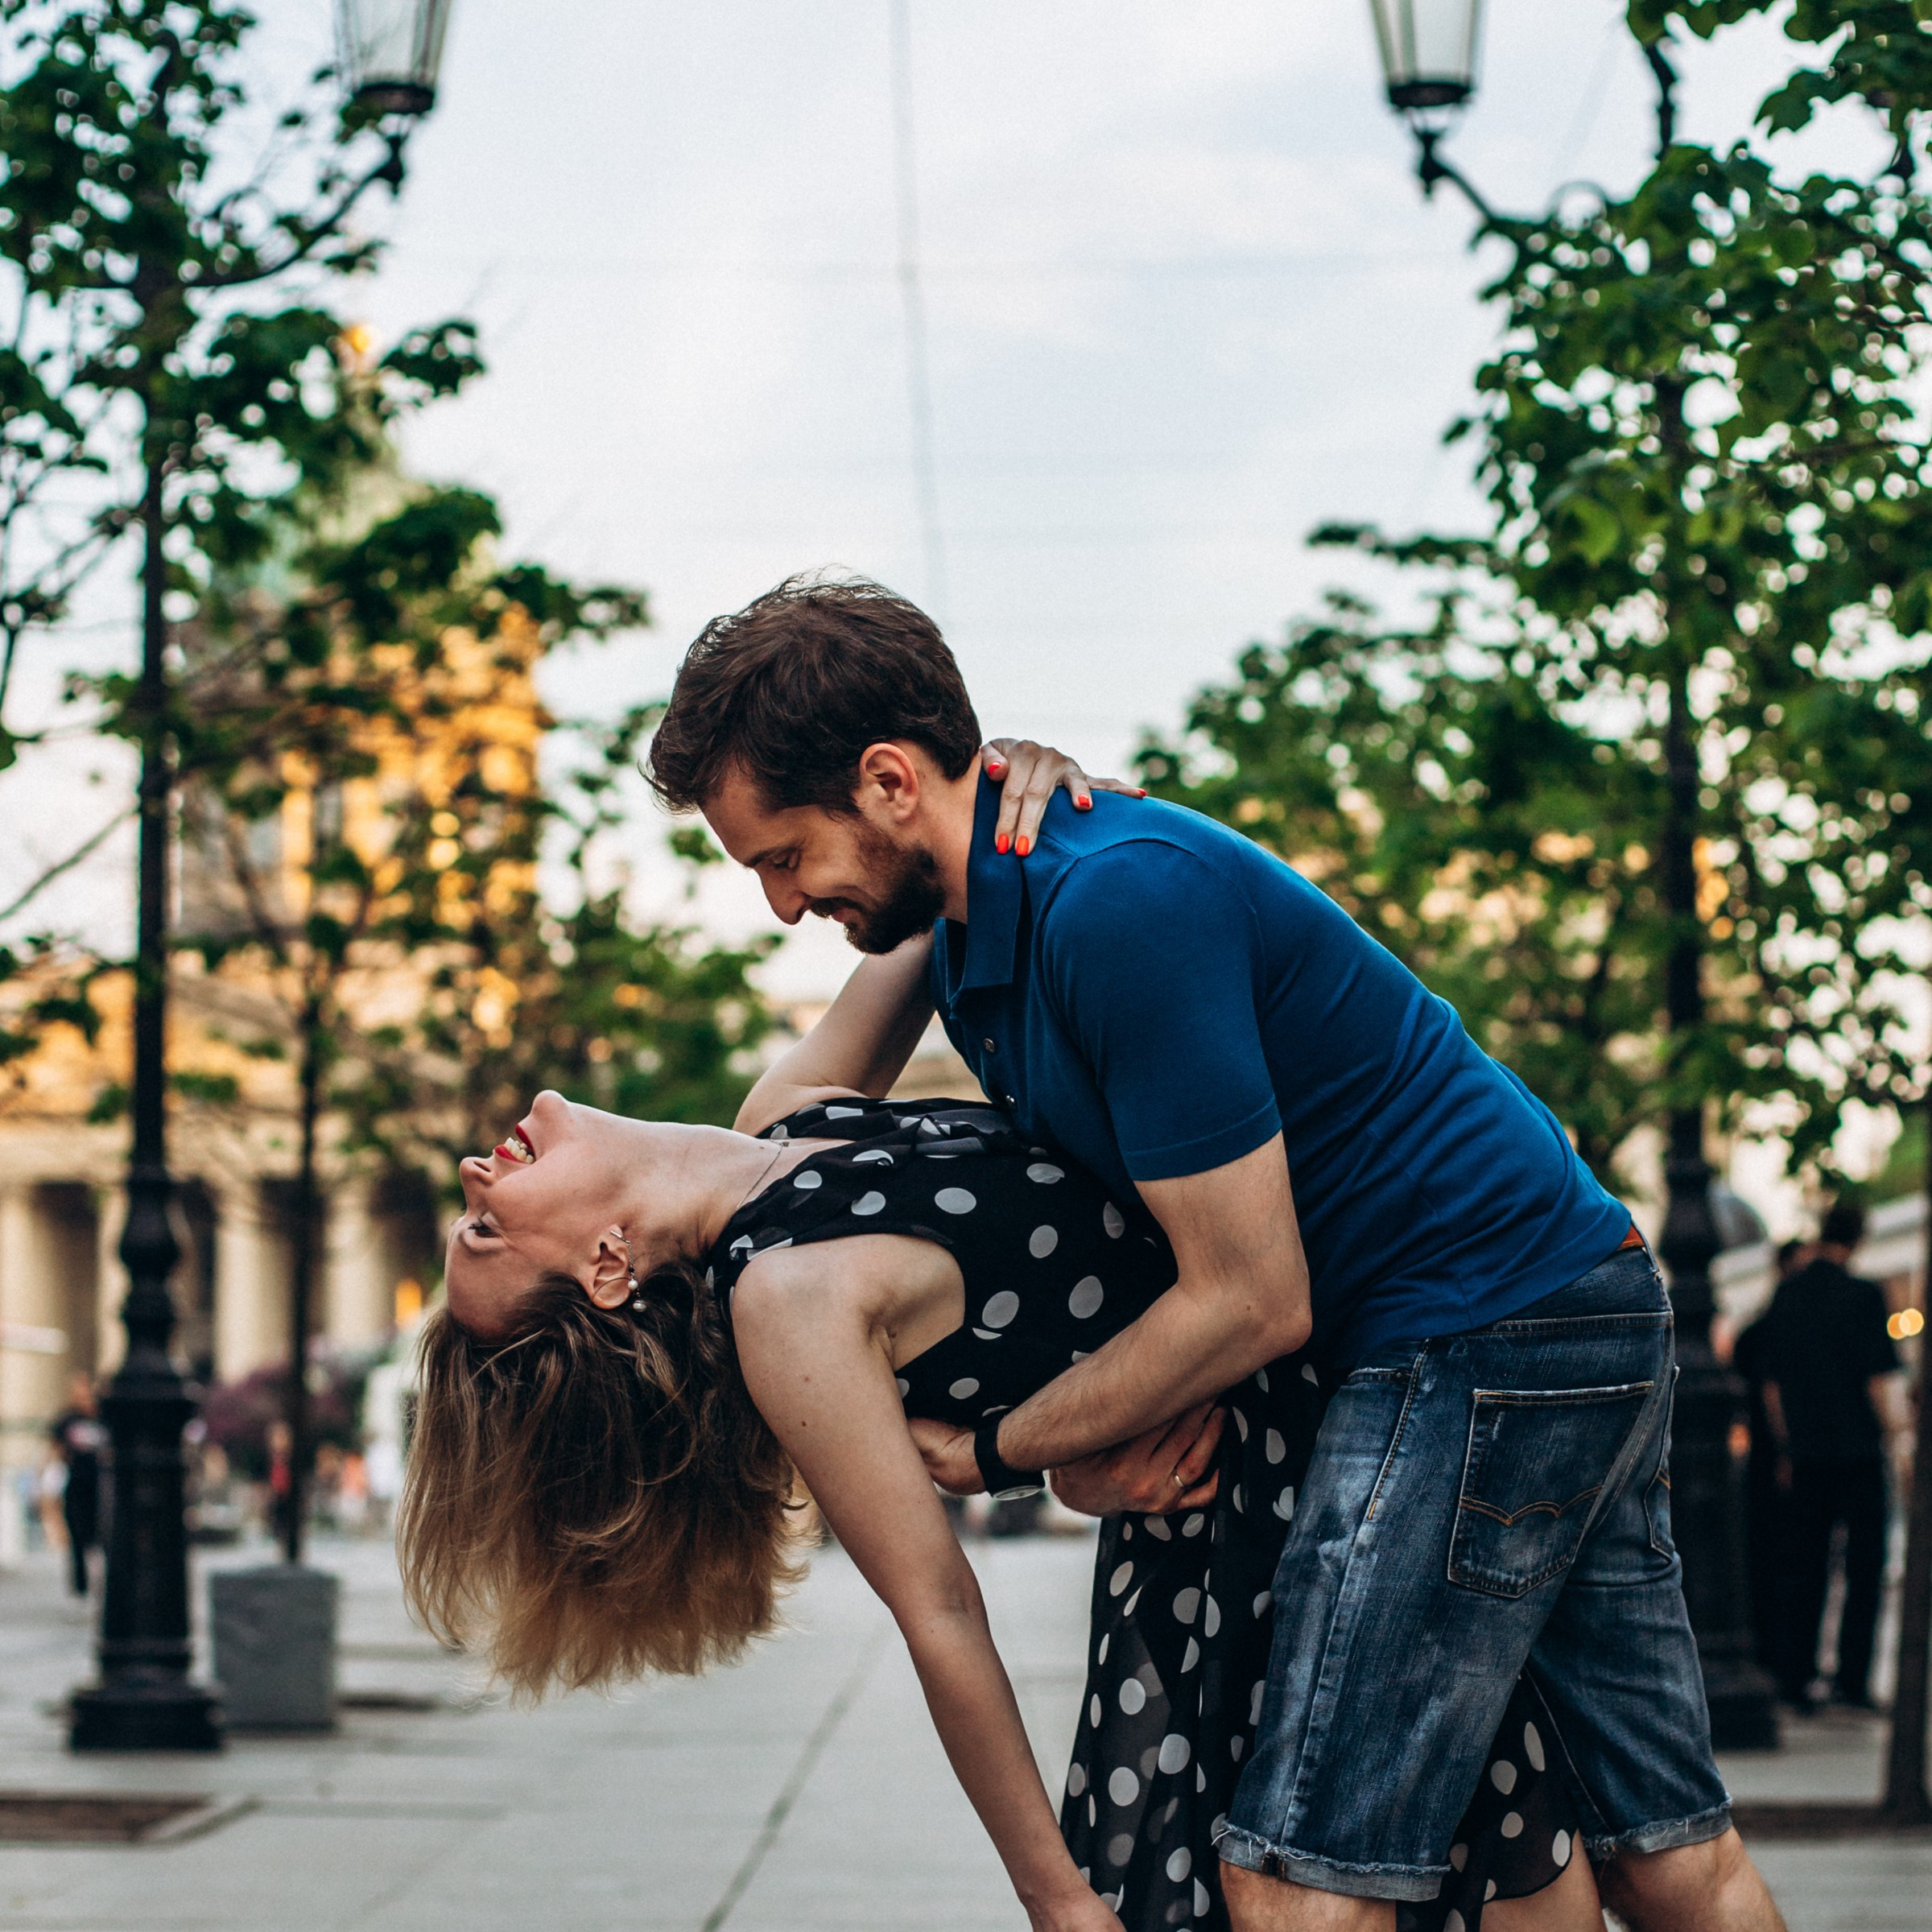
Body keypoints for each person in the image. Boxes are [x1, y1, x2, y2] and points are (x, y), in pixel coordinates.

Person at [645, 574, 1787, 1932]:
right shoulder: (978, 921)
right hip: (1568, 1301)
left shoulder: (1114, 905)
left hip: (1472, 1330)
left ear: (889, 781)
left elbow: (1251, 1298)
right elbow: (774, 1138)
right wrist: (978, 803)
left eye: (783, 858)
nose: (784, 904)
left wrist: (999, 1450)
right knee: (1670, 1858)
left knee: (1296, 1882)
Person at [405, 1084, 1603, 1932]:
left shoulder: (786, 1126)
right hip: (1256, 1537)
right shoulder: (785, 1299)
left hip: (1358, 1430)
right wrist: (1056, 1900)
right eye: (487, 1228)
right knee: (1499, 1869)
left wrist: (1010, 803)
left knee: (1517, 1861)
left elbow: (913, 899)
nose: (474, 1174)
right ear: (607, 1267)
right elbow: (938, 1609)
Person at [1761, 1201, 1912, 1711]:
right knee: (1865, 1568)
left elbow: (1773, 1387)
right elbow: (1877, 1380)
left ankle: (1798, 1678)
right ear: (1859, 1238)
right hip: (1858, 1451)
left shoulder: (1788, 1294)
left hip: (1806, 1454)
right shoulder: (1866, 1295)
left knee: (1805, 1567)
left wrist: (1786, 1446)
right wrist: (1895, 1438)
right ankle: (1852, 1679)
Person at [1732, 1241, 1808, 1683]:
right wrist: (1786, 1449)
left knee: (1768, 1556)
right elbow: (1768, 1390)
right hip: (1780, 1459)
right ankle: (1786, 1658)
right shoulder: (1785, 1330)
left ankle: (1774, 1653)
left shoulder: (1758, 1330)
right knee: (1787, 1559)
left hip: (1766, 1460)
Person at [47, 1373, 104, 1597]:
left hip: (101, 1485)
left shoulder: (103, 1417)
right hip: (76, 1484)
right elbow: (54, 1447)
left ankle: (103, 1581)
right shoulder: (66, 1419)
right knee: (77, 1536)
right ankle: (81, 1585)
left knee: (100, 1534)